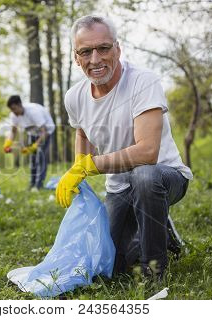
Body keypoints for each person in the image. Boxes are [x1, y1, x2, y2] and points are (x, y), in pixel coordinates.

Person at [56, 15, 193, 279]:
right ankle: (161, 233)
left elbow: (147, 153)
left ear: (118, 49)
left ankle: (155, 270)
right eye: (86, 51)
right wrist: (78, 168)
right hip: (119, 187)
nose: (95, 59)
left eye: (103, 48)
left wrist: (91, 165)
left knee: (144, 175)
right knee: (110, 267)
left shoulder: (143, 82)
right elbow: (82, 132)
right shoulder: (74, 96)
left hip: (164, 176)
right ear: (76, 57)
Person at [3, 95, 55, 190]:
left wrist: (34, 146)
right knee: (33, 159)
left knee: (40, 156)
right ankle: (32, 183)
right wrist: (8, 143)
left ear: (20, 104)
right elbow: (13, 131)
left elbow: (44, 132)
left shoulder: (34, 112)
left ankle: (39, 185)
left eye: (14, 109)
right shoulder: (14, 115)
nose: (13, 112)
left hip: (46, 132)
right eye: (11, 110)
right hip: (33, 133)